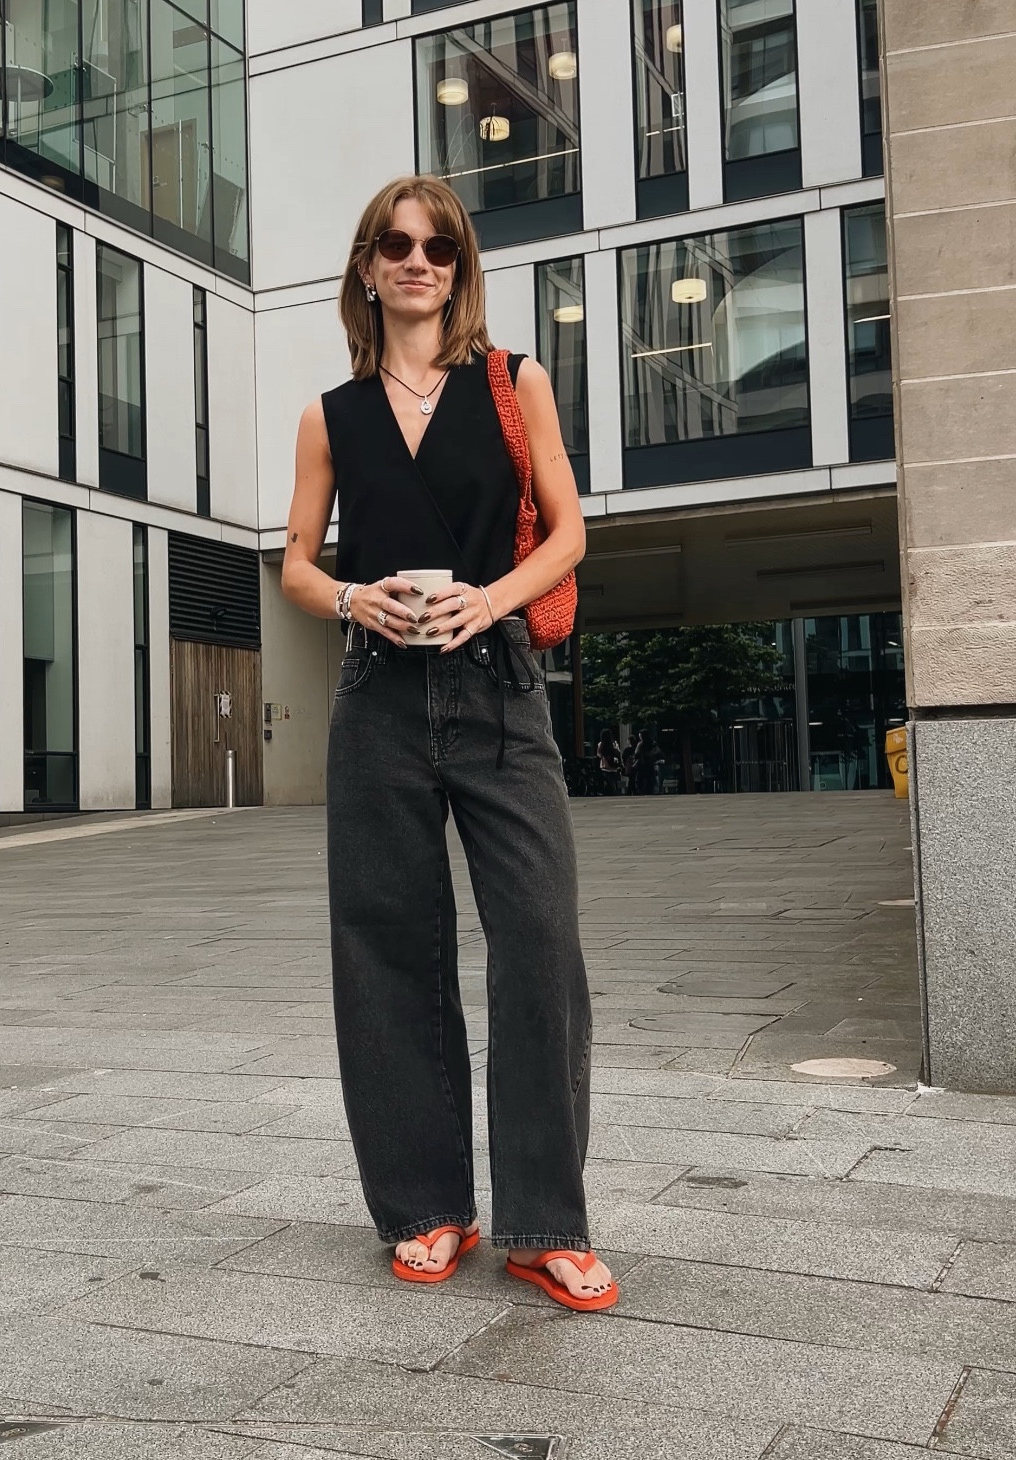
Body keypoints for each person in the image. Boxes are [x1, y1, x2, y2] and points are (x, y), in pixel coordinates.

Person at [280, 175, 616, 1312]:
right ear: (367, 268)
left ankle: (544, 1220)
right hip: (376, 693)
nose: (415, 259)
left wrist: (492, 600)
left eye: (436, 244)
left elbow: (569, 530)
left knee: (538, 934)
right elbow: (293, 561)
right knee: (385, 946)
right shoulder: (331, 413)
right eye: (393, 243)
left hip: (500, 685)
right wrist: (348, 601)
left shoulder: (513, 382)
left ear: (459, 264)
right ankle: (426, 1206)